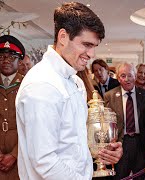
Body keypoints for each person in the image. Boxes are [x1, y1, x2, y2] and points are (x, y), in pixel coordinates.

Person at [15, 2, 122, 179]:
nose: (92, 54)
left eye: (94, 46)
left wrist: (106, 150)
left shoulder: (75, 81)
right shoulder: (42, 84)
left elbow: (75, 142)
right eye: (87, 44)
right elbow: (44, 162)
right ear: (63, 36)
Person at [104, 62, 145, 180]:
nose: (127, 79)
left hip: (141, 143)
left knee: (141, 176)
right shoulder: (109, 96)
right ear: (118, 78)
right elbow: (107, 125)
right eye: (123, 76)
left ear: (135, 75)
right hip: (121, 144)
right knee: (120, 176)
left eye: (130, 75)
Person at [0, 35, 25, 180]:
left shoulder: (28, 85)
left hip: (21, 154)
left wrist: (14, 155)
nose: (5, 61)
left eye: (11, 57)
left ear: (19, 60)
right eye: (2, 57)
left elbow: (33, 125)